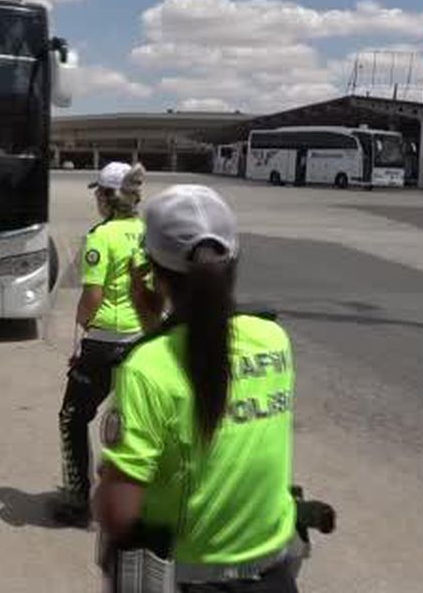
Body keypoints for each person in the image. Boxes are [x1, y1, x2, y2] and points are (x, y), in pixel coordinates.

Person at [94, 185, 300, 592]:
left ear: (153, 273)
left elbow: (119, 514)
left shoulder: (147, 368)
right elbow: (203, 372)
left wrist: (104, 486)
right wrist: (159, 327)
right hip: (273, 578)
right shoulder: (273, 339)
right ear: (233, 260)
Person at [53, 161, 146, 527]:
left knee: (71, 418)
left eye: (98, 193)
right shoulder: (147, 232)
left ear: (108, 197)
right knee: (134, 423)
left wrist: (82, 321)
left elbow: (92, 296)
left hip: (105, 341)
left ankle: (78, 501)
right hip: (143, 339)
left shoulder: (100, 237)